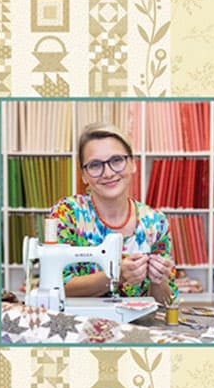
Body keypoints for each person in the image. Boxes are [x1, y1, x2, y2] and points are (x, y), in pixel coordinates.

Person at [50, 122, 177, 305]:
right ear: (83, 175)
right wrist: (115, 275)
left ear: (132, 164)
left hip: (139, 323)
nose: (108, 173)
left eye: (116, 160)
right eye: (95, 165)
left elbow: (165, 303)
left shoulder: (156, 223)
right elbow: (54, 286)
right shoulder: (67, 214)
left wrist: (158, 280)